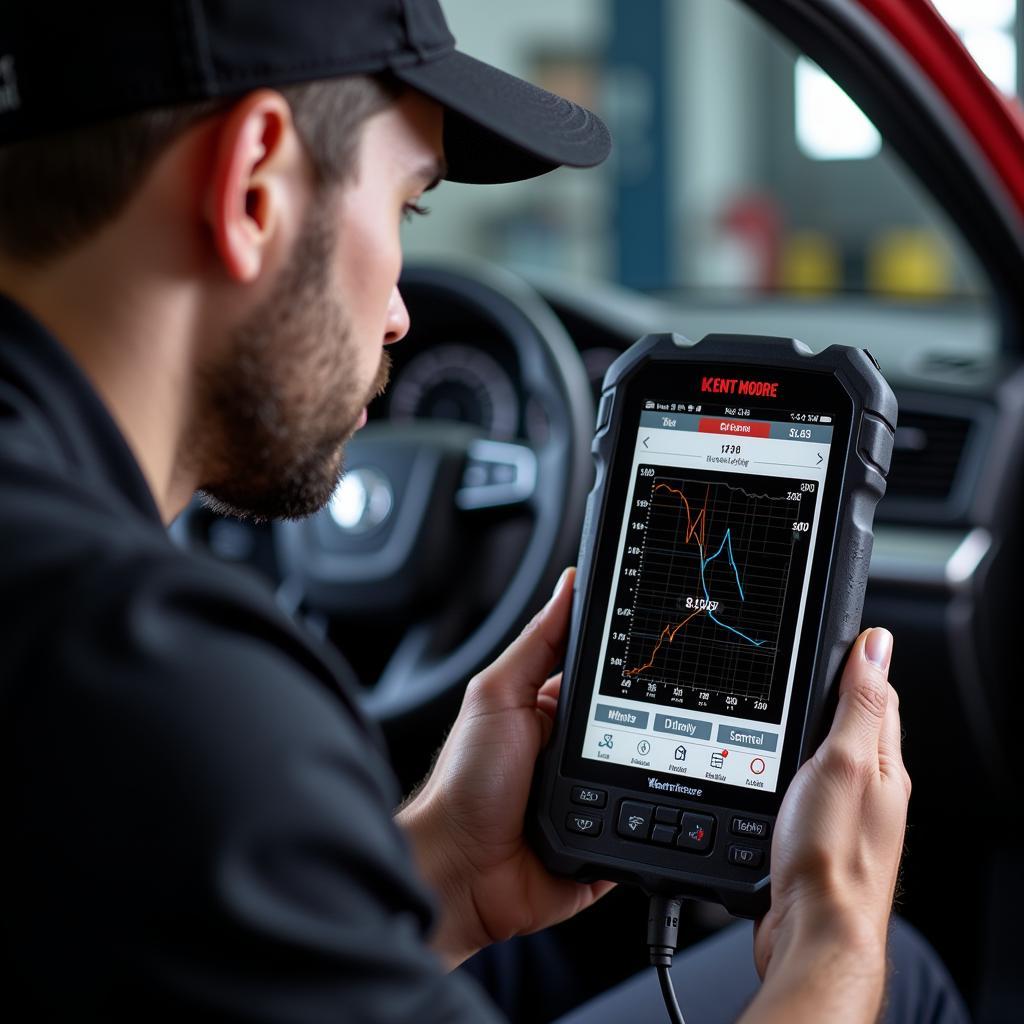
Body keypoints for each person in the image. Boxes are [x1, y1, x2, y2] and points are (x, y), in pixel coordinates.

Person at [0, 1, 967, 1021]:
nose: (400, 315)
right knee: (903, 975)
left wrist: (449, 875)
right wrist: (835, 949)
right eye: (407, 206)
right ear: (253, 185)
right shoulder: (160, 688)